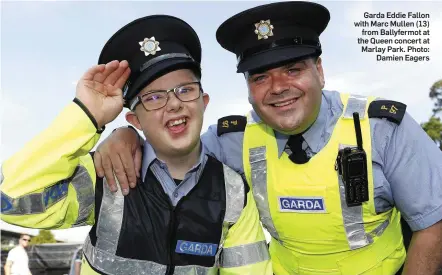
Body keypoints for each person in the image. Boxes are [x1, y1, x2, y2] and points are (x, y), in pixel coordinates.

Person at [94, 1, 442, 275]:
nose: (278, 88)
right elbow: (175, 148)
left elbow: (433, 226)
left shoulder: (382, 129)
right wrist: (124, 135)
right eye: (260, 77)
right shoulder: (234, 139)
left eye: (293, 69)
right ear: (247, 87)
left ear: (318, 71)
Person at [0, 15, 272, 275]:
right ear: (135, 120)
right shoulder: (103, 174)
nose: (175, 103)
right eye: (153, 97)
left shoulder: (235, 192)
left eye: (185, 89)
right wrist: (86, 116)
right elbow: (10, 200)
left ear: (204, 101)